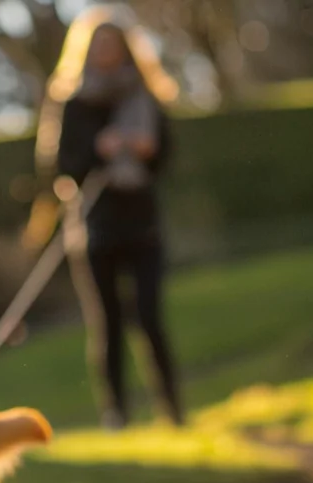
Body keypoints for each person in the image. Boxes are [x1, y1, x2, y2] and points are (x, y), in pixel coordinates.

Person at [34, 5, 183, 429]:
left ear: (126, 50)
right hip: (97, 228)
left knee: (151, 318)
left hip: (143, 223)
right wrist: (99, 149)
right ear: (86, 50)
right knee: (109, 324)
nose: (106, 52)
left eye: (113, 45)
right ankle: (116, 413)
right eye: (99, 45)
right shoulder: (73, 102)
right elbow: (64, 167)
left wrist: (146, 154)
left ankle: (172, 408)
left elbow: (165, 159)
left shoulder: (145, 96)